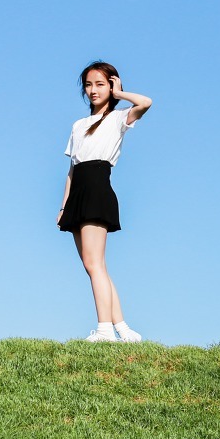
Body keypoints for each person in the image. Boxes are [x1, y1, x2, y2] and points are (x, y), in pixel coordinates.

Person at [58, 61, 152, 343]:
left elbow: (146, 102)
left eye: (100, 84)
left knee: (94, 263)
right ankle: (122, 328)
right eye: (88, 85)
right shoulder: (78, 125)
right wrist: (63, 206)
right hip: (79, 191)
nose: (93, 90)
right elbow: (72, 170)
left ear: (111, 85)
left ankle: (104, 330)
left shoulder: (118, 118)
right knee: (94, 265)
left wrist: (119, 94)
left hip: (99, 185)